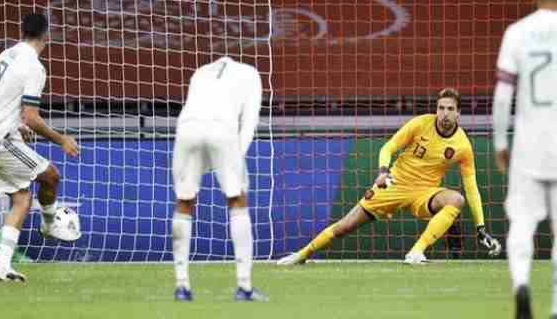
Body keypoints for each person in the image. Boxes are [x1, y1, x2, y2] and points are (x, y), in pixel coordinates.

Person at [278, 88, 502, 266]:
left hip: (424, 194)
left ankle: (416, 252)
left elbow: (471, 187)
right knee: (346, 226)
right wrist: (383, 172)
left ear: (458, 112)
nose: (444, 113)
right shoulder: (420, 124)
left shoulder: (463, 146)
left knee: (456, 199)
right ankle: (303, 254)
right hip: (393, 184)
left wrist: (480, 227)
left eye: (450, 108)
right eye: (441, 108)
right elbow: (388, 147)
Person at [0, 13, 80, 282]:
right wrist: (62, 139)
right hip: (0, 140)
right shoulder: (35, 67)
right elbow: (32, 117)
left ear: (23, 32)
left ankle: (1, 265)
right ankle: (49, 224)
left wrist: (17, 125)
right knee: (52, 175)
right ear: (47, 36)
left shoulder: (6, 55)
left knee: (22, 198)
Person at [171, 56, 266, 301]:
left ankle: (182, 286)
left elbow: (191, 105)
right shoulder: (251, 74)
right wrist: (236, 160)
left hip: (186, 128)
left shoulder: (200, 71)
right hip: (222, 127)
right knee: (236, 199)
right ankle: (244, 287)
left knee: (184, 200)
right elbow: (249, 123)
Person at [493, 0, 557, 319]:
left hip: (529, 144)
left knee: (522, 220)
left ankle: (521, 283)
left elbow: (503, 97)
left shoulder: (517, 32)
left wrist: (501, 142)